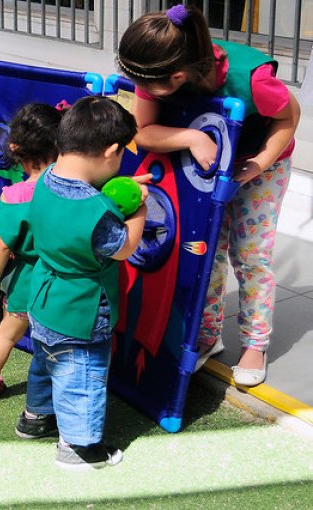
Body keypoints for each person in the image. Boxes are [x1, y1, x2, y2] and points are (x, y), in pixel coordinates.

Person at [117, 4, 300, 386]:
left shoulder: (251, 78)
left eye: (148, 87)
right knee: (205, 249)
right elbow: (143, 129)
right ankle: (207, 334)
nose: (142, 91)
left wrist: (257, 165)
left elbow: (289, 117)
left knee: (249, 253)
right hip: (204, 164)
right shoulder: (154, 69)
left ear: (179, 76)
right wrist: (191, 137)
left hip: (259, 161)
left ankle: (255, 342)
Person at [5, 97, 148, 470]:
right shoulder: (97, 212)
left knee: (45, 363)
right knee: (80, 376)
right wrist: (139, 210)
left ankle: (34, 419)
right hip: (80, 312)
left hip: (43, 301)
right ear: (111, 151)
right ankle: (79, 449)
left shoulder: (45, 181)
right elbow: (124, 247)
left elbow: (73, 210)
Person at [0, 103, 62, 406]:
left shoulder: (12, 197)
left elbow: (1, 246)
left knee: (7, 334)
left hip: (22, 280)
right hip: (56, 278)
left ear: (15, 149)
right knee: (50, 339)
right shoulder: (68, 191)